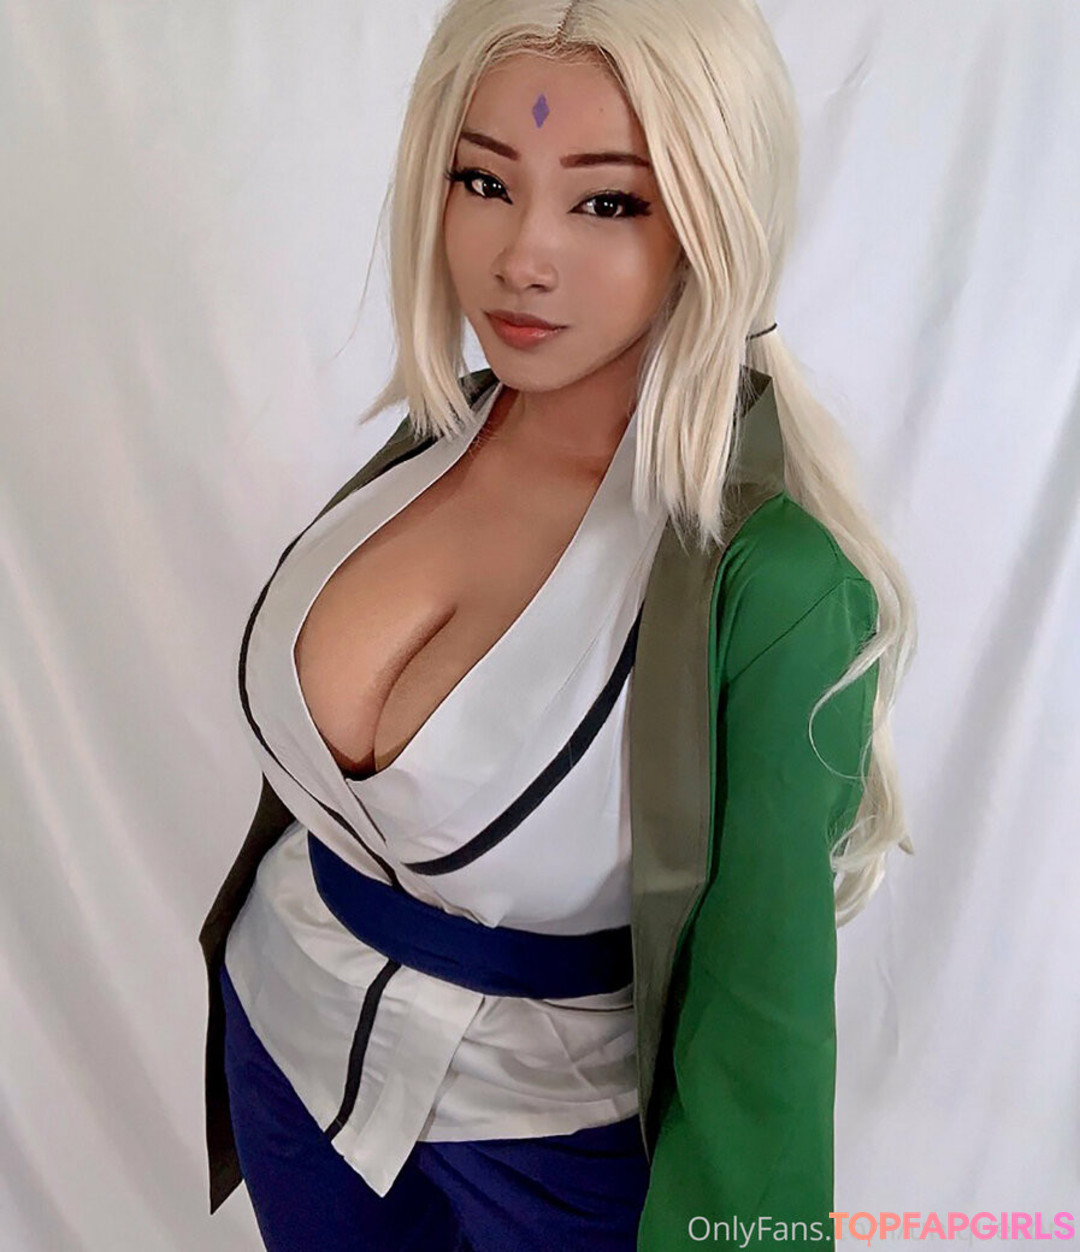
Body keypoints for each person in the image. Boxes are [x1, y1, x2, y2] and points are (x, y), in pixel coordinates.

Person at [198, 1, 917, 1249]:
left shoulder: (777, 586)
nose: (522, 258)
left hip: (549, 1158)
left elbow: (762, 1037)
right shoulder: (437, 437)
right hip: (284, 1045)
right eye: (485, 179)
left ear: (713, 218)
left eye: (608, 201)